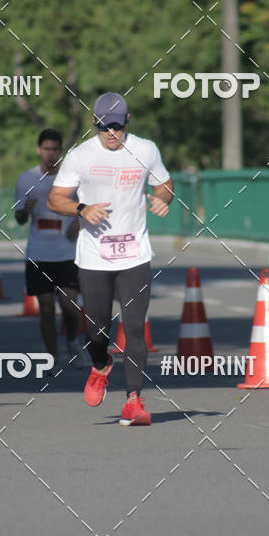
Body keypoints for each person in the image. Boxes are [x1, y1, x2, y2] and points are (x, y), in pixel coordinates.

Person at [48, 92, 173, 426]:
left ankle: (134, 400)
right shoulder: (80, 155)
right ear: (94, 123)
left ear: (127, 121)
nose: (111, 133)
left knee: (134, 327)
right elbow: (55, 199)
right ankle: (100, 365)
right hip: (94, 257)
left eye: (117, 126)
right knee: (96, 333)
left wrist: (163, 199)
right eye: (104, 126)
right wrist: (81, 208)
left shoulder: (146, 149)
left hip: (135, 254)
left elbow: (165, 185)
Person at [14, 128, 83, 365]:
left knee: (69, 304)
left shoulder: (73, 178)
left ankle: (72, 341)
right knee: (45, 309)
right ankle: (52, 356)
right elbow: (19, 218)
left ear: (61, 151)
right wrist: (25, 211)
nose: (50, 154)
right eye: (46, 149)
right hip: (38, 253)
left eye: (54, 149)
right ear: (38, 150)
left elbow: (87, 206)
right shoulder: (26, 179)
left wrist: (78, 222)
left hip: (67, 252)